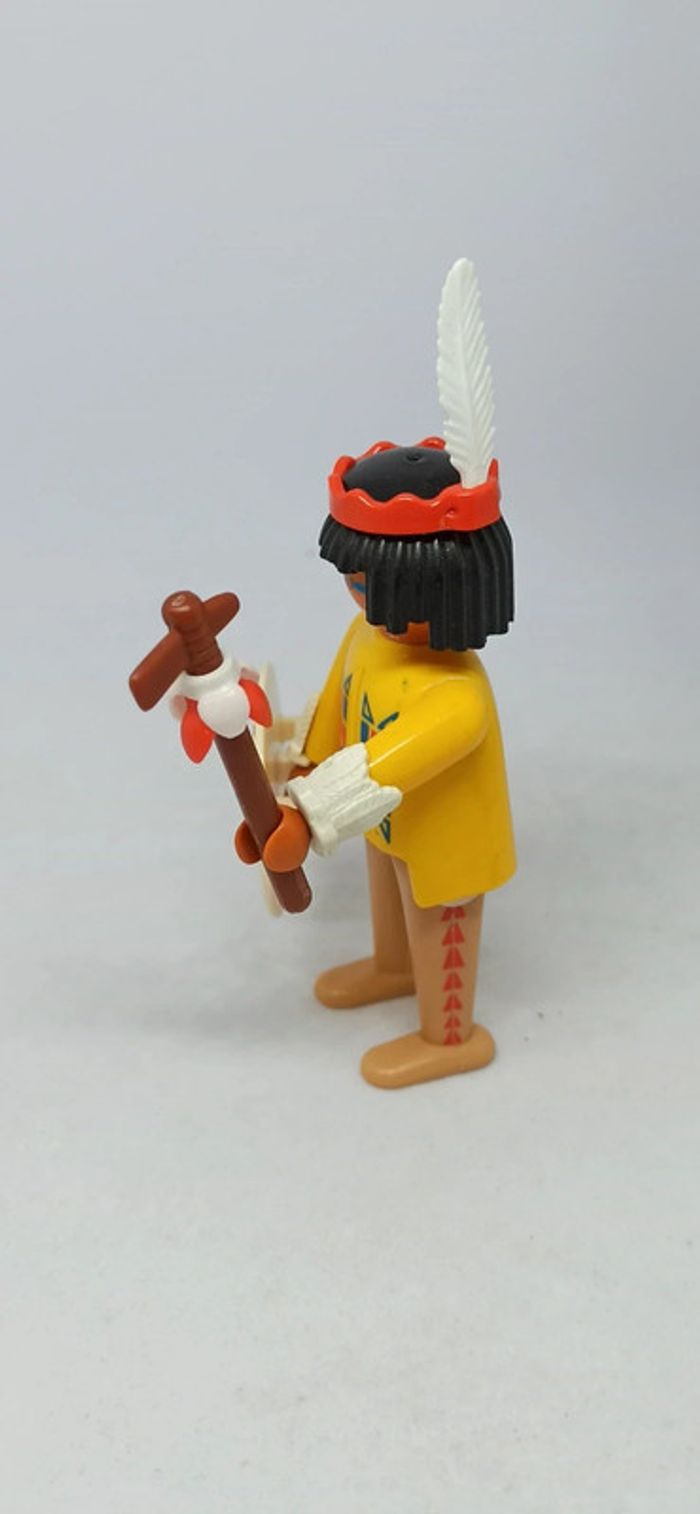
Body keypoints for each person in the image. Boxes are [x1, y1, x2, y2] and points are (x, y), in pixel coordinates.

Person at [236, 261, 516, 1089]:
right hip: (391, 826)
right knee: (391, 903)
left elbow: (388, 764)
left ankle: (448, 1034)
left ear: (432, 586)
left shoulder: (455, 696)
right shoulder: (369, 637)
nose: (356, 597)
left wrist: (309, 816)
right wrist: (300, 768)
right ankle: (393, 970)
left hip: (444, 837)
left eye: (368, 584)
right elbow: (339, 706)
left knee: (439, 923)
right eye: (354, 582)